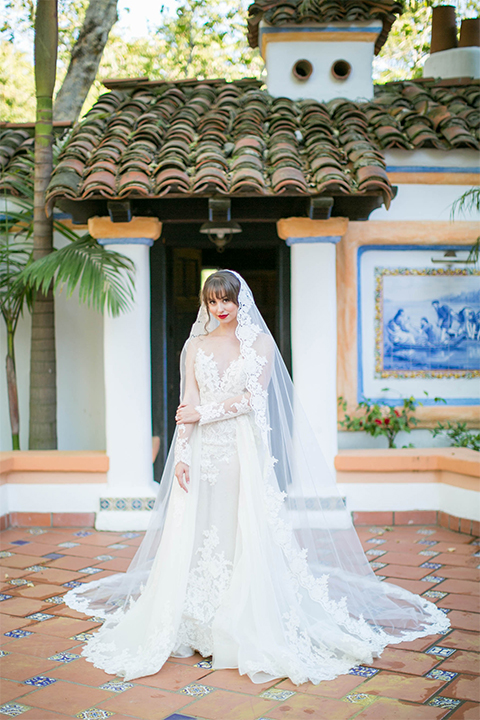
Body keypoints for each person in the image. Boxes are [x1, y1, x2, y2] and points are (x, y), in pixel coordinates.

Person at [64, 270, 449, 685]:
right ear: (205, 305)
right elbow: (187, 401)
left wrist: (204, 414)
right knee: (197, 528)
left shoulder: (259, 343)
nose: (220, 308)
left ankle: (237, 620)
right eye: (212, 301)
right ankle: (194, 617)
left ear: (239, 299)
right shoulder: (194, 346)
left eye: (226, 299)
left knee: (236, 524)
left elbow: (253, 399)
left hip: (240, 449)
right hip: (201, 450)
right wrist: (182, 453)